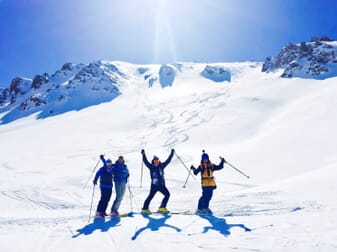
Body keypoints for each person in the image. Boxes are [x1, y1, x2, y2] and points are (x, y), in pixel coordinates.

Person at [191, 150, 225, 214]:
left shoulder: (211, 165)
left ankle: (205, 208)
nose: (205, 160)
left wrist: (222, 161)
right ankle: (199, 209)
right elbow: (195, 173)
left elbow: (220, 167)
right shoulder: (201, 166)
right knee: (204, 196)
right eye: (204, 159)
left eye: (206, 158)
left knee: (209, 196)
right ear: (202, 159)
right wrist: (193, 168)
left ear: (208, 158)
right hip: (205, 184)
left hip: (211, 183)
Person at [141, 149, 175, 214]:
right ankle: (145, 208)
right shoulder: (151, 167)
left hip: (161, 185)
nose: (156, 162)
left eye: (157, 160)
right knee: (150, 196)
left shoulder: (161, 166)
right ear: (153, 161)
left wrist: (172, 153)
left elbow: (168, 160)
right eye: (155, 161)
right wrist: (143, 154)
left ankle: (162, 207)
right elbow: (145, 161)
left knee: (167, 195)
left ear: (159, 161)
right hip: (154, 186)